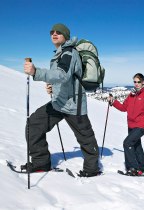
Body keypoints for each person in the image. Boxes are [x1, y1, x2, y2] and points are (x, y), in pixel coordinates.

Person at [23, 23, 100, 177]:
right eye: (52, 31)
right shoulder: (60, 53)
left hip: (73, 105)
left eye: (59, 32)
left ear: (66, 36)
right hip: (59, 103)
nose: (54, 34)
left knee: (85, 138)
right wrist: (53, 88)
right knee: (34, 124)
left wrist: (36, 72)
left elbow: (62, 75)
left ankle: (91, 169)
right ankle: (40, 162)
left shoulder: (69, 53)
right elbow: (63, 78)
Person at [108, 73, 144, 176]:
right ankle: (142, 167)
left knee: (127, 143)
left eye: (138, 82)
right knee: (136, 146)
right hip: (131, 125)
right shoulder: (132, 95)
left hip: (141, 125)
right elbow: (124, 107)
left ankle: (133, 168)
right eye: (135, 82)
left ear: (143, 82)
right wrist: (113, 102)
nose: (136, 84)